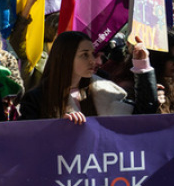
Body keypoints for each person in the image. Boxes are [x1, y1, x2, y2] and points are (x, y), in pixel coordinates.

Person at [20, 31, 157, 122]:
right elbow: (28, 141)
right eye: (84, 55)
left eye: (92, 54)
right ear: (65, 58)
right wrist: (58, 127)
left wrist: (142, 64)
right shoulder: (36, 99)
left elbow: (144, 116)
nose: (93, 61)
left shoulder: (105, 91)